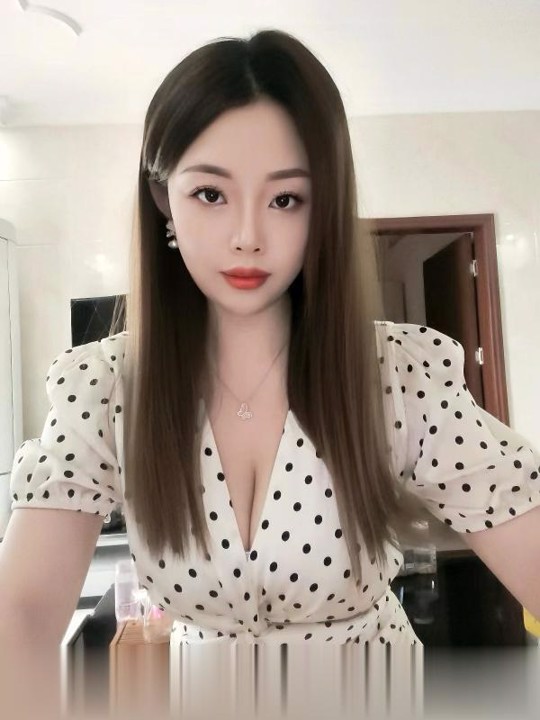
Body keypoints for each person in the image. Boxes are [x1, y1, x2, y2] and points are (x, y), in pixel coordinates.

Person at [1, 27, 540, 715]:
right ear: (164, 200)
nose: (247, 235)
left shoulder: (397, 376)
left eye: (286, 199)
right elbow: (21, 616)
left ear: (322, 209)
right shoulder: (107, 389)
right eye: (211, 194)